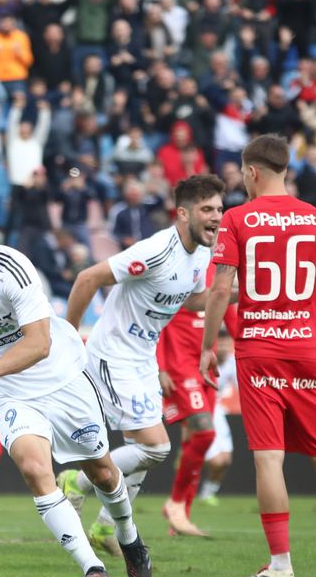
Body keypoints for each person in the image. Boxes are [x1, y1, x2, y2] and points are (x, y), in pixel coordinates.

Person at [0, 198, 151, 577]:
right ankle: (93, 569)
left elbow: (39, 344)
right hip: (10, 390)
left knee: (102, 472)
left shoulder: (12, 269)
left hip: (62, 378)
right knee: (34, 468)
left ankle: (129, 536)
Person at [200, 134, 316, 577]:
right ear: (285, 170)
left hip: (259, 352)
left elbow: (220, 290)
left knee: (269, 459)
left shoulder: (237, 219)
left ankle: (280, 565)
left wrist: (208, 346)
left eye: (243, 174)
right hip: (307, 351)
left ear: (252, 172)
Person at [58, 175, 224, 555]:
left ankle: (106, 528)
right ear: (183, 213)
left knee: (143, 453)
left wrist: (236, 295)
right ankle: (74, 482)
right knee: (156, 447)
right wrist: (68, 338)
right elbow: (87, 278)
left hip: (143, 358)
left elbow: (192, 300)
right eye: (207, 209)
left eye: (219, 208)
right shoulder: (154, 251)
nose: (216, 216)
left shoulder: (201, 253)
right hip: (113, 355)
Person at [156, 264, 237, 535]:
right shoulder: (177, 265)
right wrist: (161, 367)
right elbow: (159, 319)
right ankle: (176, 503)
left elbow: (229, 312)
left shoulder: (220, 269)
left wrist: (247, 348)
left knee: (195, 442)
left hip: (207, 367)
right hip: (180, 366)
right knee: (204, 433)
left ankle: (180, 518)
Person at [198, 331, 237, 507]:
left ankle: (208, 493)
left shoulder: (232, 362)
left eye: (226, 344)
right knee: (216, 461)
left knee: (226, 461)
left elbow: (240, 386)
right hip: (201, 410)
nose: (223, 348)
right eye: (220, 344)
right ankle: (189, 455)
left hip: (217, 410)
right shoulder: (203, 361)